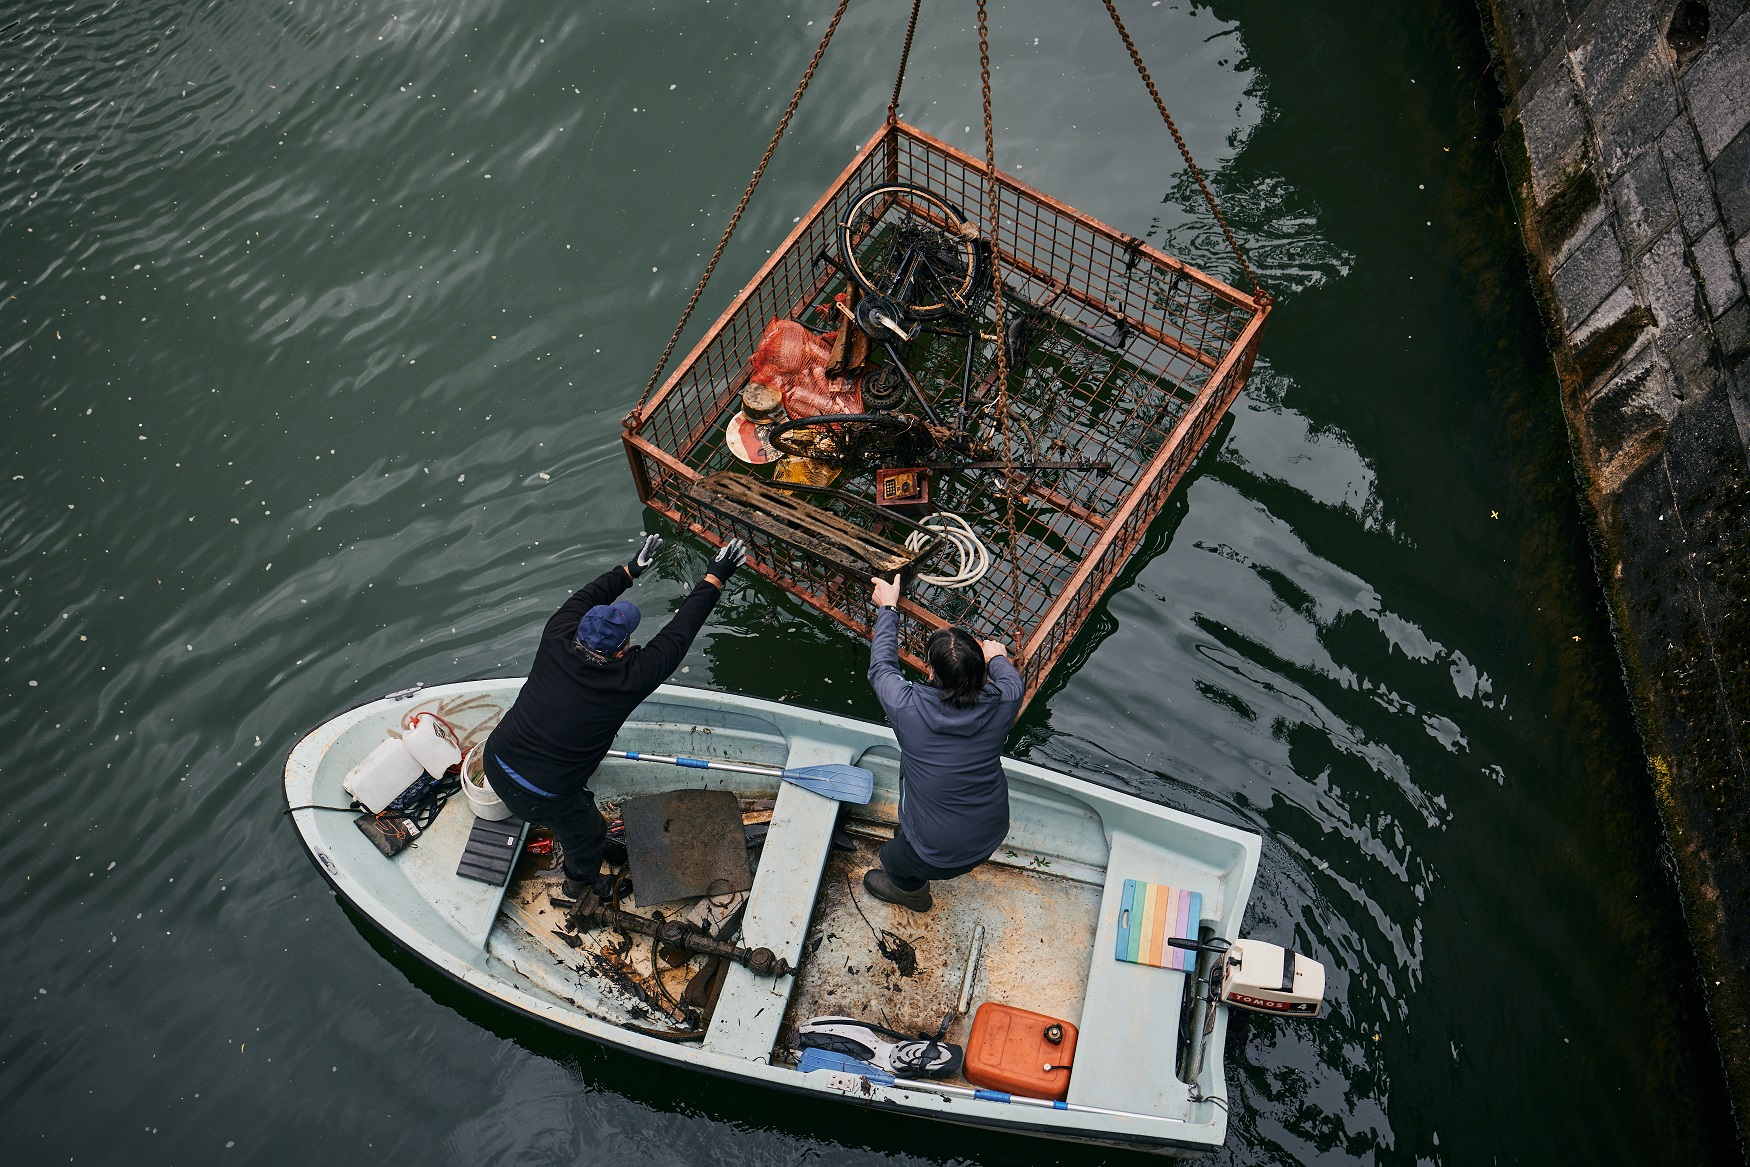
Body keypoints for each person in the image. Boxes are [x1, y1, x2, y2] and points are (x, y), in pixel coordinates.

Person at [483, 533, 748, 901]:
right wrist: (715, 577)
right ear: (622, 652)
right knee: (587, 834)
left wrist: (629, 570)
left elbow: (588, 597)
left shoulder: (557, 634)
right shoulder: (628, 679)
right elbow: (681, 629)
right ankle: (579, 886)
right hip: (546, 796)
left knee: (566, 797)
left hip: (495, 759)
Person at [862, 572, 1023, 912]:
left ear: (931, 673)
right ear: (981, 672)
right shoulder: (1006, 701)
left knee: (892, 858)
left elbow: (881, 668)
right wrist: (997, 657)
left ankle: (913, 895)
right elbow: (1010, 679)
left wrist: (888, 607)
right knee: (909, 839)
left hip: (937, 853)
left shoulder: (907, 709)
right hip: (991, 831)